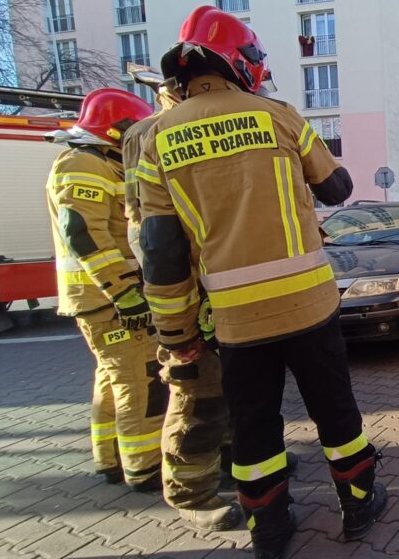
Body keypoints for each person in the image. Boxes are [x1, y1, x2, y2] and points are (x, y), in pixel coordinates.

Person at [136, 6, 383, 559]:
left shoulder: (156, 141)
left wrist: (176, 334)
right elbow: (338, 188)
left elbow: (161, 252)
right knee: (336, 412)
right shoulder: (279, 116)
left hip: (236, 321)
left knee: (254, 426)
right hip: (308, 307)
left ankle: (269, 530)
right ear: (239, 60)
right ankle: (359, 504)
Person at [120, 66, 243, 530]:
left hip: (220, 292)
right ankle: (191, 494)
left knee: (229, 389)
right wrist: (176, 327)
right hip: (186, 292)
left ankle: (230, 462)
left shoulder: (217, 124)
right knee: (197, 394)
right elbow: (153, 237)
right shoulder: (151, 133)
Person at [44, 89, 164, 496]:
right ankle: (145, 466)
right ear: (118, 131)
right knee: (140, 380)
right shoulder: (84, 163)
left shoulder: (98, 162)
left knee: (113, 379)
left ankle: (110, 459)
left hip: (99, 299)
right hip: (109, 299)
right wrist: (124, 290)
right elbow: (83, 232)